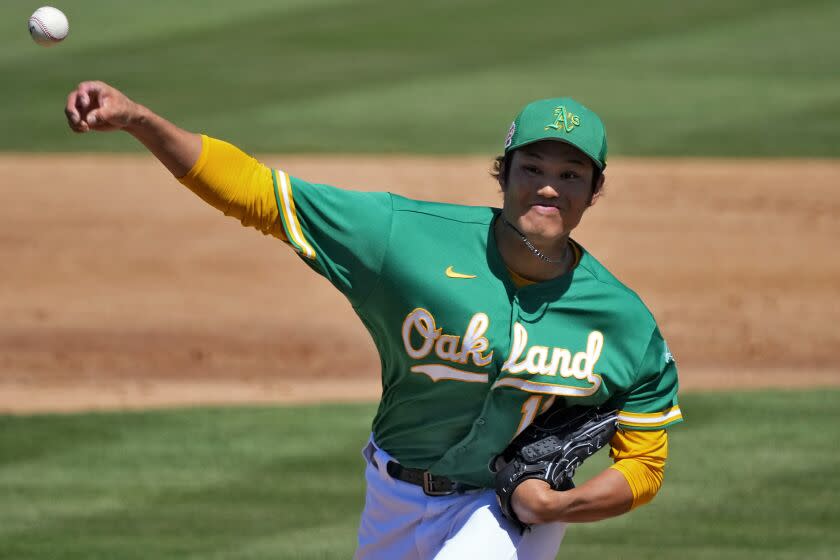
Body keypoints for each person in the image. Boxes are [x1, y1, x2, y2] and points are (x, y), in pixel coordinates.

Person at [64, 81, 683, 559]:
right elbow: (257, 193)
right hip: (391, 496)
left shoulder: (624, 323)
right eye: (533, 169)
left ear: (594, 190)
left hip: (501, 512)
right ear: (504, 173)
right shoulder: (403, 239)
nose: (549, 189)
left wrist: (560, 504)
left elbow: (644, 465)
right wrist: (139, 120)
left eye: (571, 175)